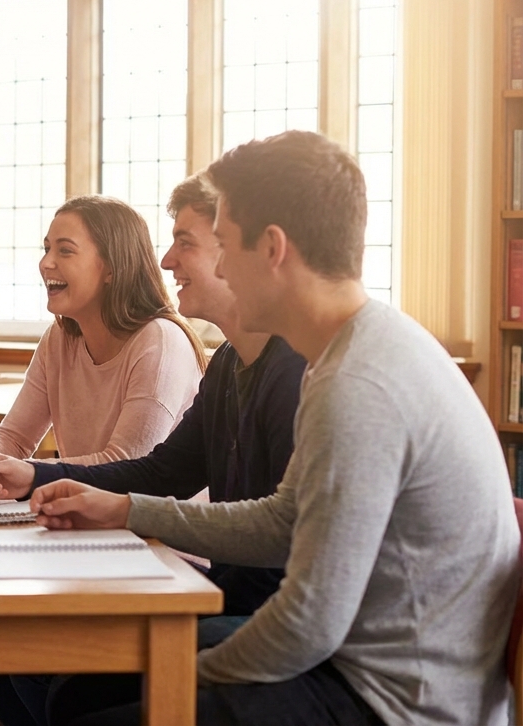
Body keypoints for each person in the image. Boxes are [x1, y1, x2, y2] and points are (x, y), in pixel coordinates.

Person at [31, 131, 519, 726]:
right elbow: (284, 519)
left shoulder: (357, 383)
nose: (220, 267)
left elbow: (308, 624)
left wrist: (177, 679)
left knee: (96, 711)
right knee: (82, 693)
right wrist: (127, 509)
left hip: (389, 700)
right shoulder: (344, 353)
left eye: (226, 244)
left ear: (273, 249)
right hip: (351, 665)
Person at [0, 176, 307, 726]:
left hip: (232, 596)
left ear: (253, 251)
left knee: (68, 683)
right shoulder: (229, 367)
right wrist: (33, 475)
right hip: (220, 588)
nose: (166, 260)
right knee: (13, 655)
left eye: (184, 242)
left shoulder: (294, 371)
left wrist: (97, 499)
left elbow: (288, 543)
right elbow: (164, 468)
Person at [0, 195, 205, 490]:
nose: (45, 263)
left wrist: (20, 471)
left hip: (159, 529)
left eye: (65, 251)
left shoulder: (159, 340)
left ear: (112, 267)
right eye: (46, 249)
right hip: (89, 520)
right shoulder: (59, 338)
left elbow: (126, 465)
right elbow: (15, 438)